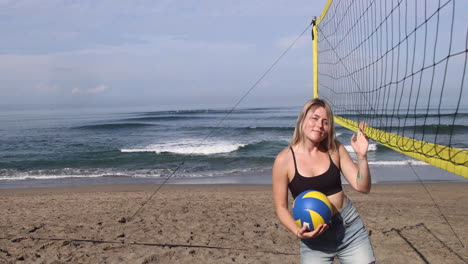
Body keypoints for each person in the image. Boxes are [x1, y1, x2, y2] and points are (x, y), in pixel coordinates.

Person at [272, 98, 376, 263]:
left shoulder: (335, 149)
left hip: (349, 226)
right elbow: (281, 208)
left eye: (325, 122)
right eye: (314, 118)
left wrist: (362, 156)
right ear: (303, 119)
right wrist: (298, 231)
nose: (319, 125)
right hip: (313, 236)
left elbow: (363, 187)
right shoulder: (284, 160)